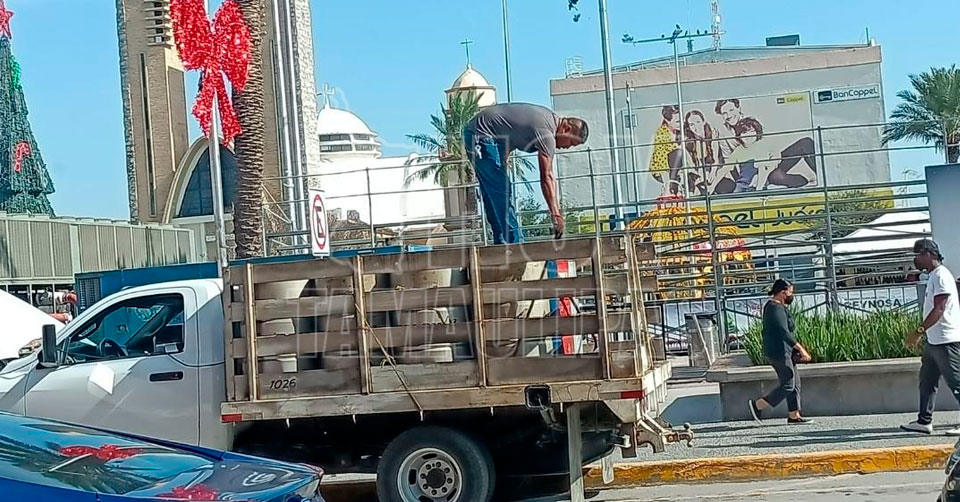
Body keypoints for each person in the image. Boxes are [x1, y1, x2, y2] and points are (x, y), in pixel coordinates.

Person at [463, 103, 588, 244]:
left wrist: (503, 161)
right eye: (571, 143)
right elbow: (546, 176)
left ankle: (502, 242)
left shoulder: (548, 118)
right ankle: (514, 243)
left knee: (493, 192)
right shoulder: (547, 134)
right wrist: (555, 214)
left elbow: (511, 131)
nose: (567, 147)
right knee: (500, 191)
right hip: (481, 134)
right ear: (566, 129)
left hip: (483, 134)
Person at [901, 239, 960, 435]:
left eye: (918, 254)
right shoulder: (934, 276)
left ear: (930, 254)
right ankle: (924, 421)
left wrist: (918, 331)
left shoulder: (941, 276)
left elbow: (939, 309)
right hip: (934, 341)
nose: (915, 259)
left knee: (957, 382)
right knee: (927, 381)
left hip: (946, 340)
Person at [748, 279, 814, 424]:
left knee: (795, 383)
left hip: (785, 351)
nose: (792, 295)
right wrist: (801, 349)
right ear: (783, 293)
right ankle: (758, 405)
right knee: (788, 384)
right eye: (790, 292)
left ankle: (794, 415)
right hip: (779, 351)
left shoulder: (777, 307)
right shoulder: (774, 308)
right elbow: (784, 332)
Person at [649, 105, 685, 194]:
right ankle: (671, 185)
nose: (681, 123)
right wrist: (668, 182)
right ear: (667, 121)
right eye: (677, 121)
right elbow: (660, 160)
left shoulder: (681, 131)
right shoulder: (661, 134)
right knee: (679, 153)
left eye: (682, 120)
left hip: (678, 168)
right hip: (662, 169)